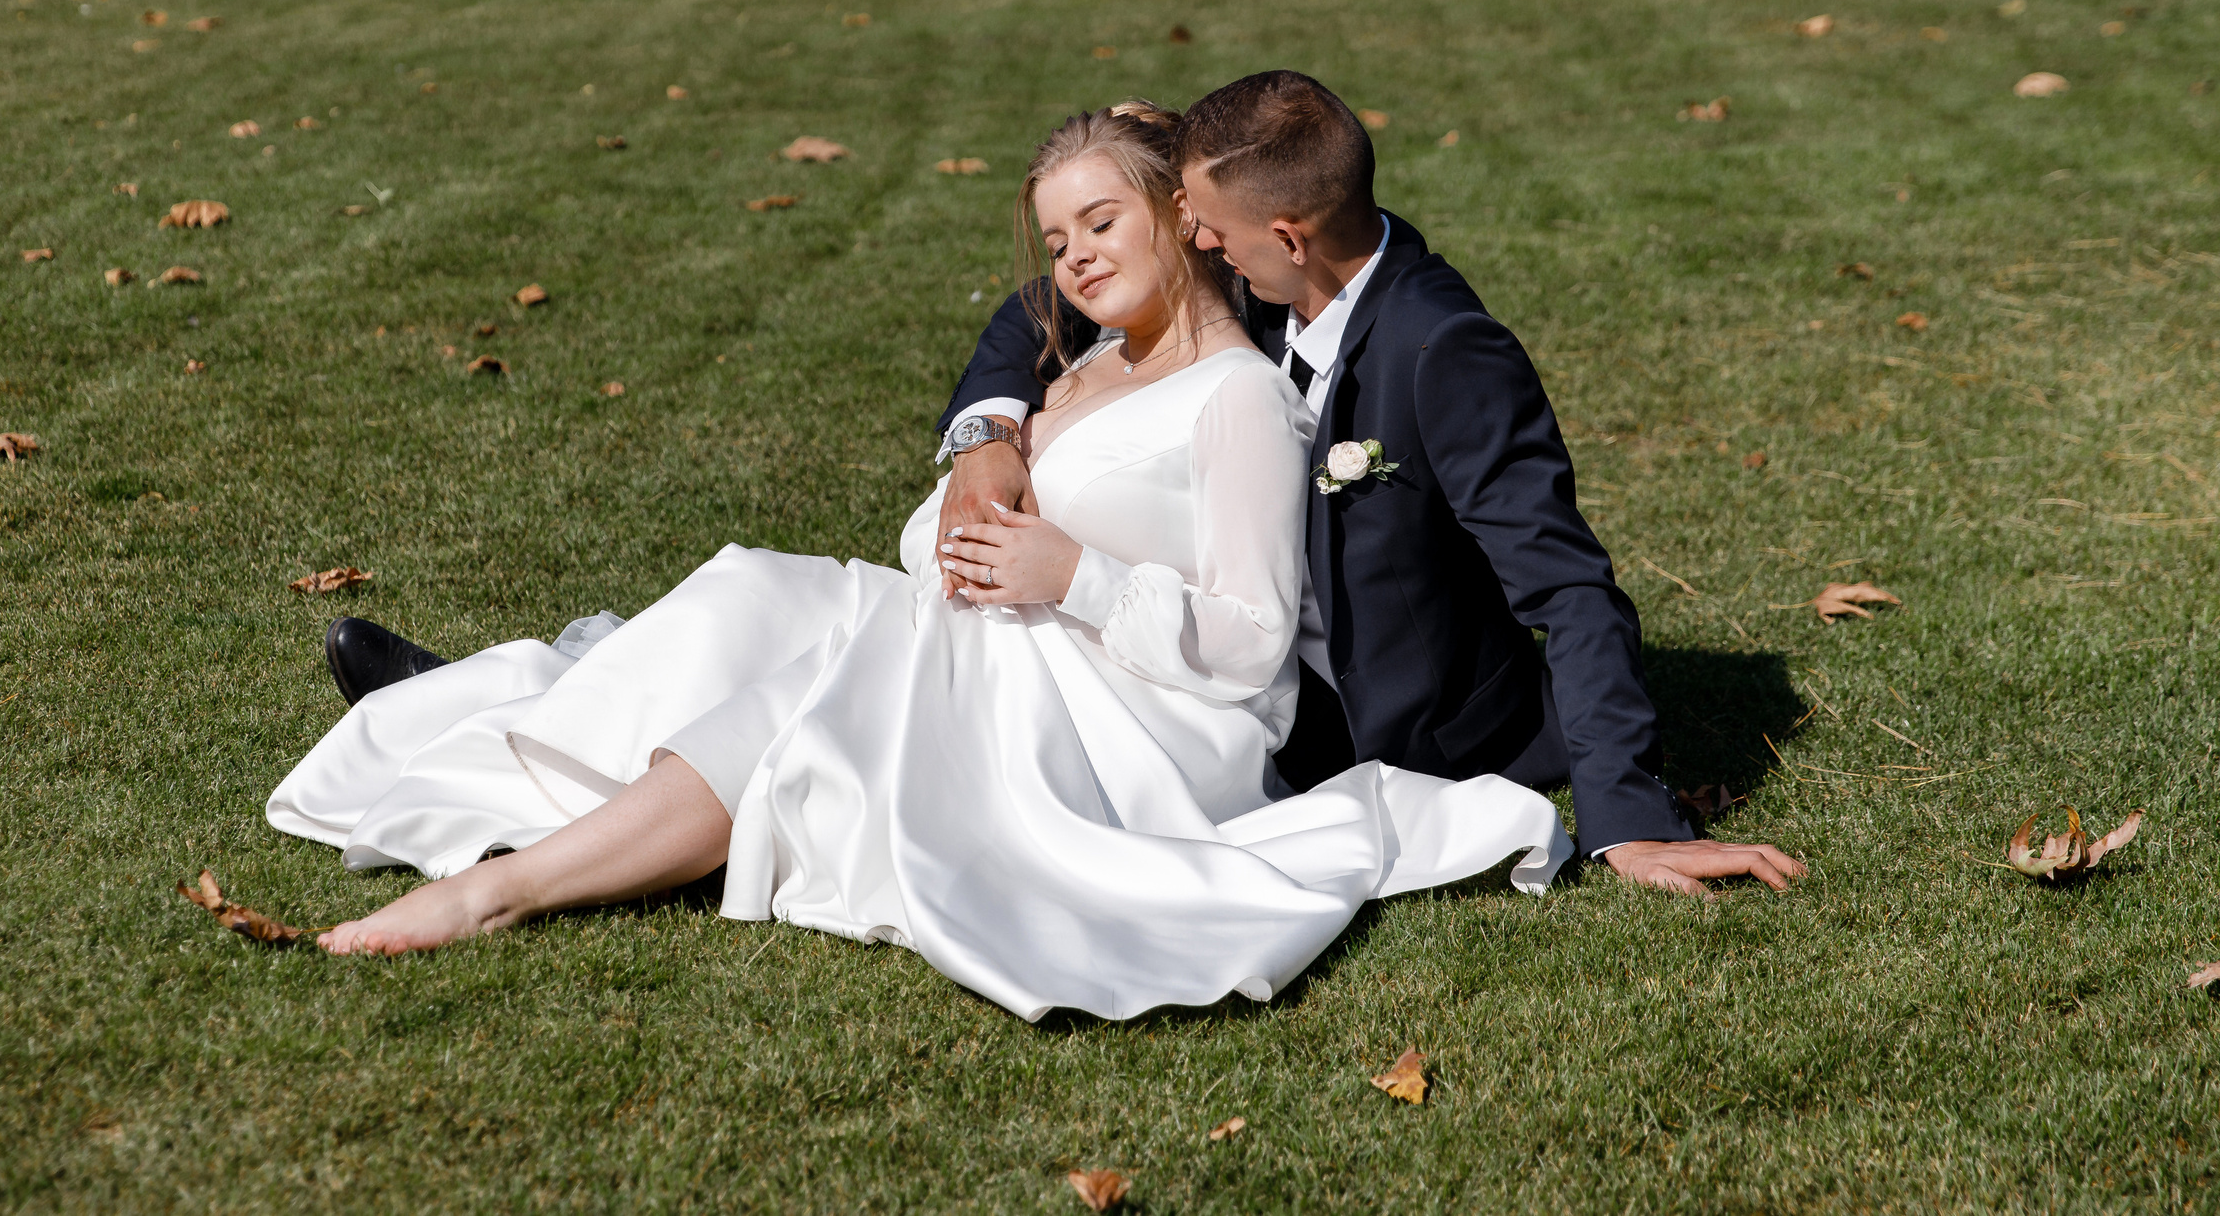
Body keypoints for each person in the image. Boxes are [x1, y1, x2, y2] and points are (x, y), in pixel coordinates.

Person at [269, 102, 1573, 1021]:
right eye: (1058, 237)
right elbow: (996, 476)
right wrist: (982, 470)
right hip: (1027, 645)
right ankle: (504, 728)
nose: (1076, 256)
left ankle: (504, 884)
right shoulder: (1084, 363)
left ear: (1188, 215)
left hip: (1145, 722)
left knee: (828, 663)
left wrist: (1072, 576)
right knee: (761, 594)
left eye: (1104, 218)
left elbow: (1249, 646)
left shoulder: (1235, 397)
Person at [935, 71, 1802, 897]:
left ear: (1284, 238)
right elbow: (1033, 310)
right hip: (1222, 677)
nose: (1198, 244)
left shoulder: (1444, 352)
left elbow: (1570, 588)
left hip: (1396, 729)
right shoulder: (1268, 281)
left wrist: (1627, 816)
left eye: (1213, 232)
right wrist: (986, 435)